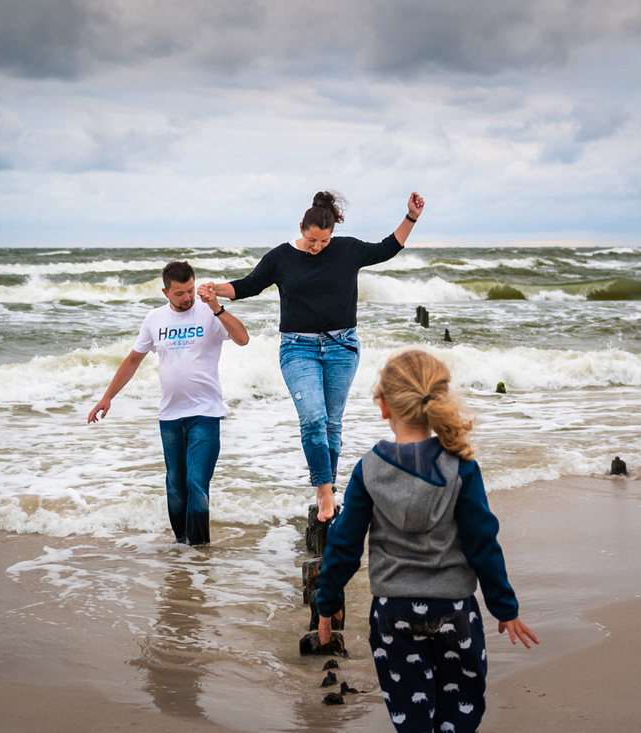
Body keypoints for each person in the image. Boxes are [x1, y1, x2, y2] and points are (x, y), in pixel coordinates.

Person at [315, 349, 538, 733]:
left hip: (392, 613)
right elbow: (482, 542)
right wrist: (504, 606)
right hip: (455, 610)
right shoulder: (461, 465)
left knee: (411, 716)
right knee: (460, 712)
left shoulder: (369, 469)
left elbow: (344, 544)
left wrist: (328, 601)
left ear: (383, 407)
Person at [201, 190, 425, 521]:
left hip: (342, 346)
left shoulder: (348, 250)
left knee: (332, 424)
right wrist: (215, 288)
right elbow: (249, 285)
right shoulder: (281, 257)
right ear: (301, 228)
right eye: (311, 240)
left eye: (322, 241)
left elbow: (387, 249)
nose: (316, 247)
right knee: (312, 419)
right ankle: (323, 492)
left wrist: (411, 217)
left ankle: (328, 490)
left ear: (332, 234)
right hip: (297, 348)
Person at [88, 260, 249, 545]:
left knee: (196, 483)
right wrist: (107, 396)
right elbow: (133, 360)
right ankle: (182, 546)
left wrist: (217, 307)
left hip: (205, 413)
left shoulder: (209, 312)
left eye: (190, 290)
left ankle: (198, 551)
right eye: (179, 294)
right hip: (170, 416)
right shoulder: (154, 319)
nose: (187, 298)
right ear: (165, 293)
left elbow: (243, 338)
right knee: (175, 486)